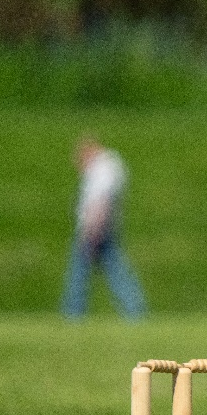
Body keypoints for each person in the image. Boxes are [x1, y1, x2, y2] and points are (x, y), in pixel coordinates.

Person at [61, 136, 147, 318]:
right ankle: (135, 311)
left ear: (88, 153)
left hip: (96, 229)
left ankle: (73, 314)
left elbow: (101, 202)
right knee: (114, 271)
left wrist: (93, 231)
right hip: (101, 228)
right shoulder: (108, 168)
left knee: (80, 275)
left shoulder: (103, 170)